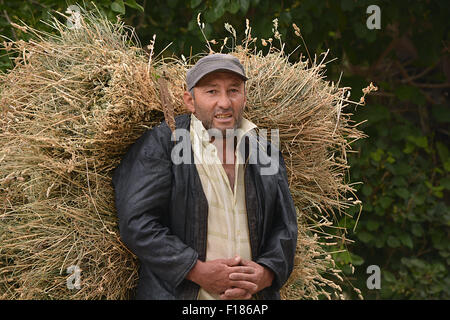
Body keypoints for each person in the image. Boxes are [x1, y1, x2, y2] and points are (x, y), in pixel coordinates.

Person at [111, 53, 298, 300]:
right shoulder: (164, 143)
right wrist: (196, 270)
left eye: (233, 91)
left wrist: (266, 274)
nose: (224, 102)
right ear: (190, 100)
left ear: (244, 97)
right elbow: (137, 223)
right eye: (211, 92)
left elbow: (284, 226)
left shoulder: (264, 150)